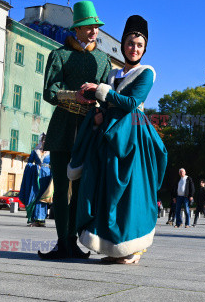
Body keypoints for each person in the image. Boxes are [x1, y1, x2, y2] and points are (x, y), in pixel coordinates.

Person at [68, 15, 167, 264]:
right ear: (123, 44)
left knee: (130, 192)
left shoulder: (147, 72)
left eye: (139, 45)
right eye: (131, 43)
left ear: (145, 49)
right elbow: (107, 104)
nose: (134, 49)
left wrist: (102, 91)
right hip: (107, 136)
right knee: (107, 190)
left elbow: (132, 103)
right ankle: (113, 248)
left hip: (132, 138)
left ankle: (132, 249)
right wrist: (98, 113)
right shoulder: (113, 73)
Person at [39, 0, 112, 259]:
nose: (94, 31)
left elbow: (108, 94)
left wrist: (100, 102)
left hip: (89, 130)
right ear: (77, 29)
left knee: (81, 190)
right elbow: (49, 91)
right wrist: (74, 96)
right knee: (61, 188)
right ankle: (63, 241)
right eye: (88, 27)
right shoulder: (58, 55)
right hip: (62, 128)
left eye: (96, 27)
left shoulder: (102, 59)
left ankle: (76, 240)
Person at [19, 133, 54, 227]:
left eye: (47, 141)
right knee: (35, 196)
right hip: (36, 176)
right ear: (41, 141)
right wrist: (34, 167)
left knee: (43, 197)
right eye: (43, 140)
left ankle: (41, 219)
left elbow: (54, 164)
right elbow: (29, 163)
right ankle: (34, 219)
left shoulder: (51, 152)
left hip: (46, 176)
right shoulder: (35, 151)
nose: (44, 142)